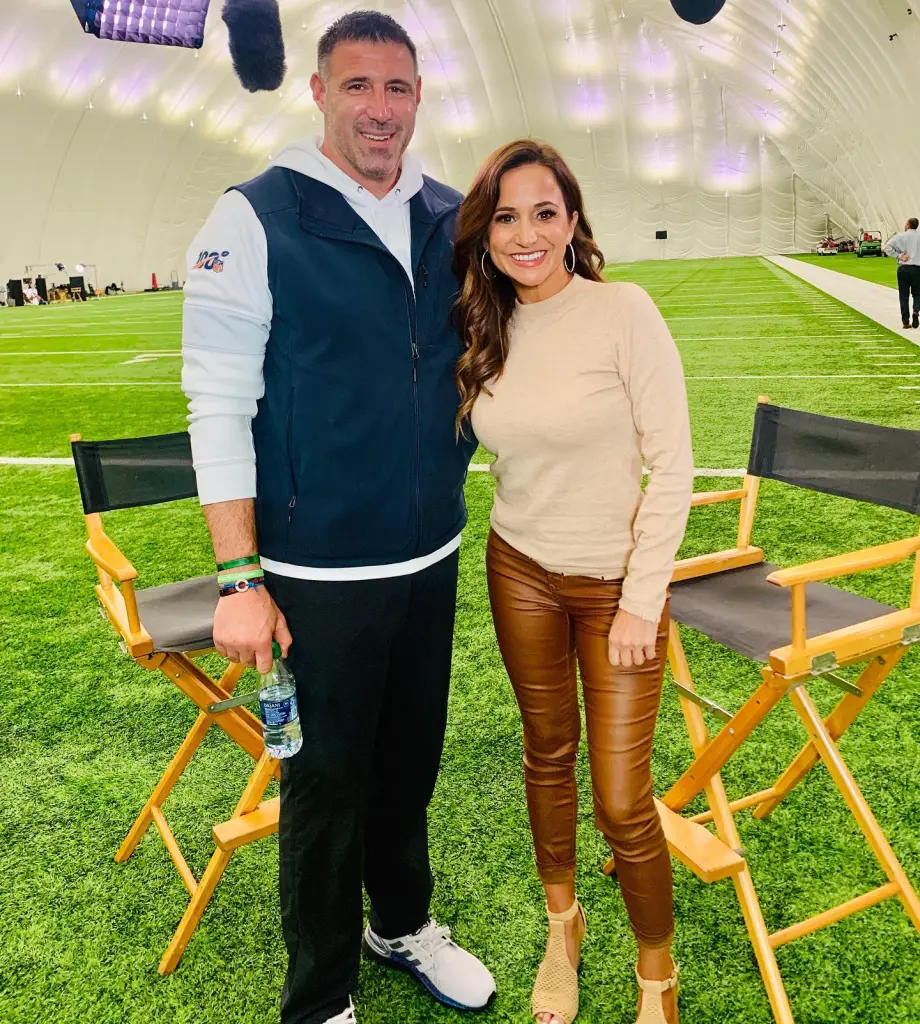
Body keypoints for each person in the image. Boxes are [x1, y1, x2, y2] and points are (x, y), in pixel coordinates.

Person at [180, 11, 495, 1024]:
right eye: (356, 86)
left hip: (430, 553)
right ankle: (319, 997)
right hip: (314, 573)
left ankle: (399, 923)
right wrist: (238, 577)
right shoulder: (253, 215)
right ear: (317, 92)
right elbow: (218, 404)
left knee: (409, 762)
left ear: (417, 100)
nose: (379, 109)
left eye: (396, 89)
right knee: (323, 792)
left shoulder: (452, 214)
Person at [454, 139, 693, 1024]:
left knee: (625, 803)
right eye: (506, 217)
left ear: (572, 221)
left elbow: (673, 465)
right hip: (518, 566)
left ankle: (656, 980)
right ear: (485, 234)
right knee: (546, 755)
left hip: (613, 589)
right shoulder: (485, 326)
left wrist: (640, 599)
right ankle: (564, 926)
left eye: (543, 213)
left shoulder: (623, 311)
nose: (526, 235)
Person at [884, 217, 920, 329]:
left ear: (908, 224)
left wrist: (899, 256)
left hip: (904, 268)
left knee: (904, 295)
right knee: (918, 293)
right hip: (918, 268)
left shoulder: (900, 236)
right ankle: (916, 310)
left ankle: (905, 321)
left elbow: (887, 247)